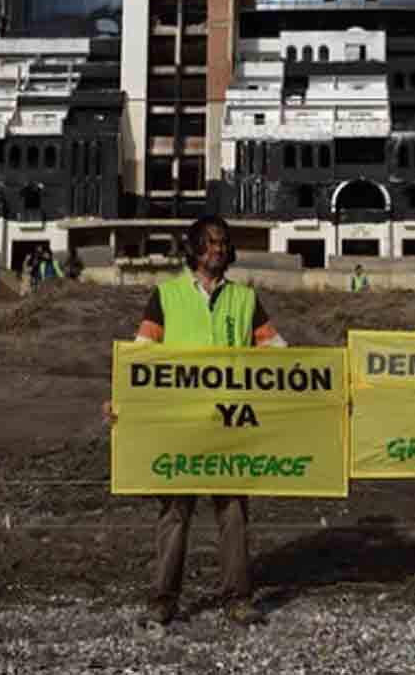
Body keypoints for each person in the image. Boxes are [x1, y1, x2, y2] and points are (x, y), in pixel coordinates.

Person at [107, 215, 286, 628]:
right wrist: (120, 401)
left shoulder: (246, 300)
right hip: (180, 427)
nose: (217, 249)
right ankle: (163, 600)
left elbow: (278, 355)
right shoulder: (165, 296)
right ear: (192, 248)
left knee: (234, 512)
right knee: (173, 513)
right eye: (208, 242)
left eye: (223, 243)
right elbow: (141, 357)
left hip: (231, 425)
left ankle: (238, 599)